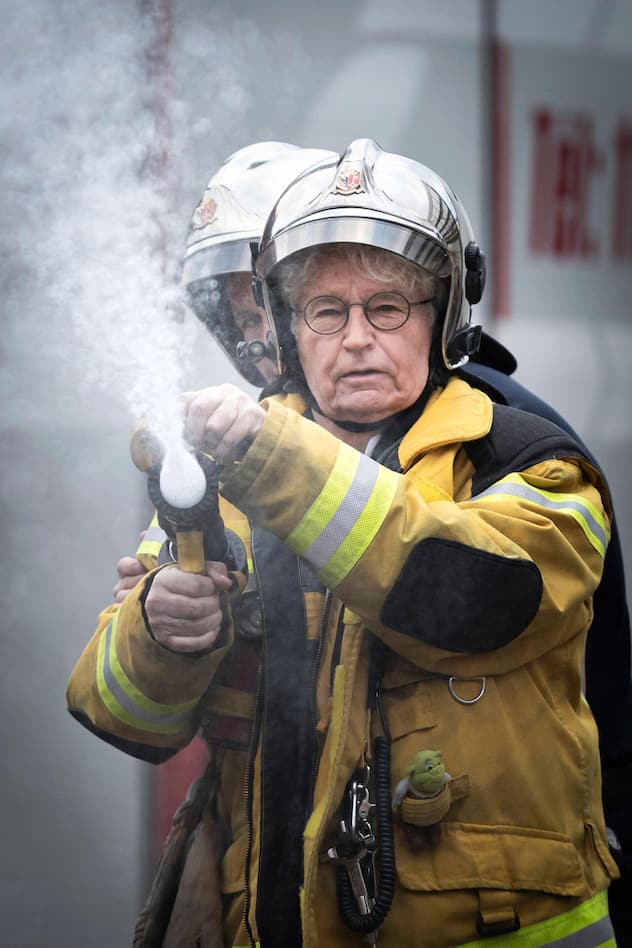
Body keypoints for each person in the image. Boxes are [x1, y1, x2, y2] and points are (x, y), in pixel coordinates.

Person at [67, 139, 621, 947]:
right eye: (325, 311)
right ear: (292, 327)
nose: (356, 337)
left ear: (440, 316)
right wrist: (163, 627)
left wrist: (267, 455)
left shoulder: (526, 461)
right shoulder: (231, 474)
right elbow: (125, 717)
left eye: (387, 308)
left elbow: (467, 600)